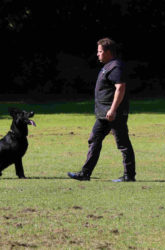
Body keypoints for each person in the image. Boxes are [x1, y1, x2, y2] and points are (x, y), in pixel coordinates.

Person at [67, 37, 136, 182]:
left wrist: (112, 110)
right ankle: (85, 173)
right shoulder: (108, 66)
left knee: (122, 143)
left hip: (113, 114)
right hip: (104, 114)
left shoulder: (116, 66)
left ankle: (129, 176)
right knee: (94, 140)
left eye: (99, 51)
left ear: (108, 52)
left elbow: (120, 88)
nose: (97, 54)